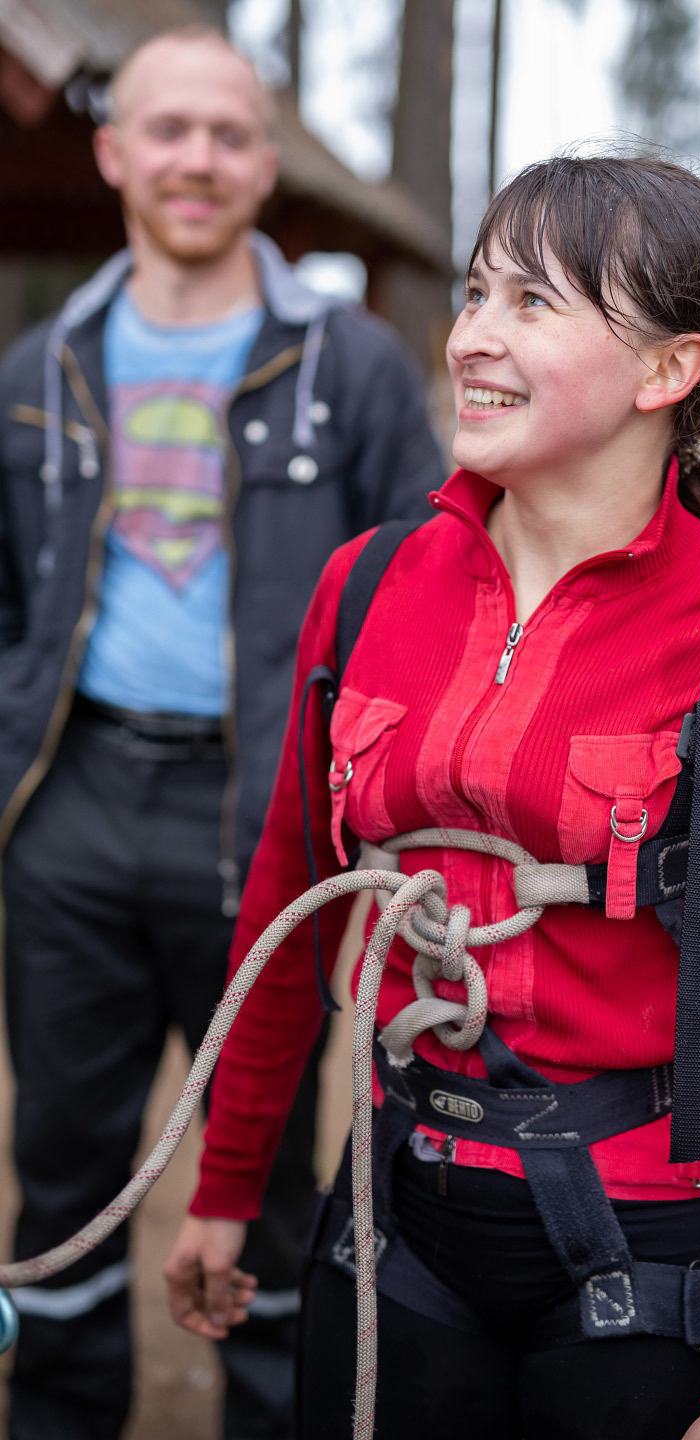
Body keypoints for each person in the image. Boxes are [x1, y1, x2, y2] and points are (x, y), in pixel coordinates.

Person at [165, 154, 700, 1440]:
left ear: (668, 371)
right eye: (474, 292)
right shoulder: (367, 584)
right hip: (396, 1207)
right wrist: (228, 1182)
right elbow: (289, 896)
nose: (471, 339)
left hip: (651, 1245)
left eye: (534, 303)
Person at [0, 25, 443, 1440]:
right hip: (69, 819)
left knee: (265, 1178)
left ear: (268, 167)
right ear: (114, 152)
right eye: (169, 130)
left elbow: (426, 594)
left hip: (269, 830)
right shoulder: (39, 364)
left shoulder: (353, 367)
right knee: (59, 1168)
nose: (198, 159)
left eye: (230, 134)